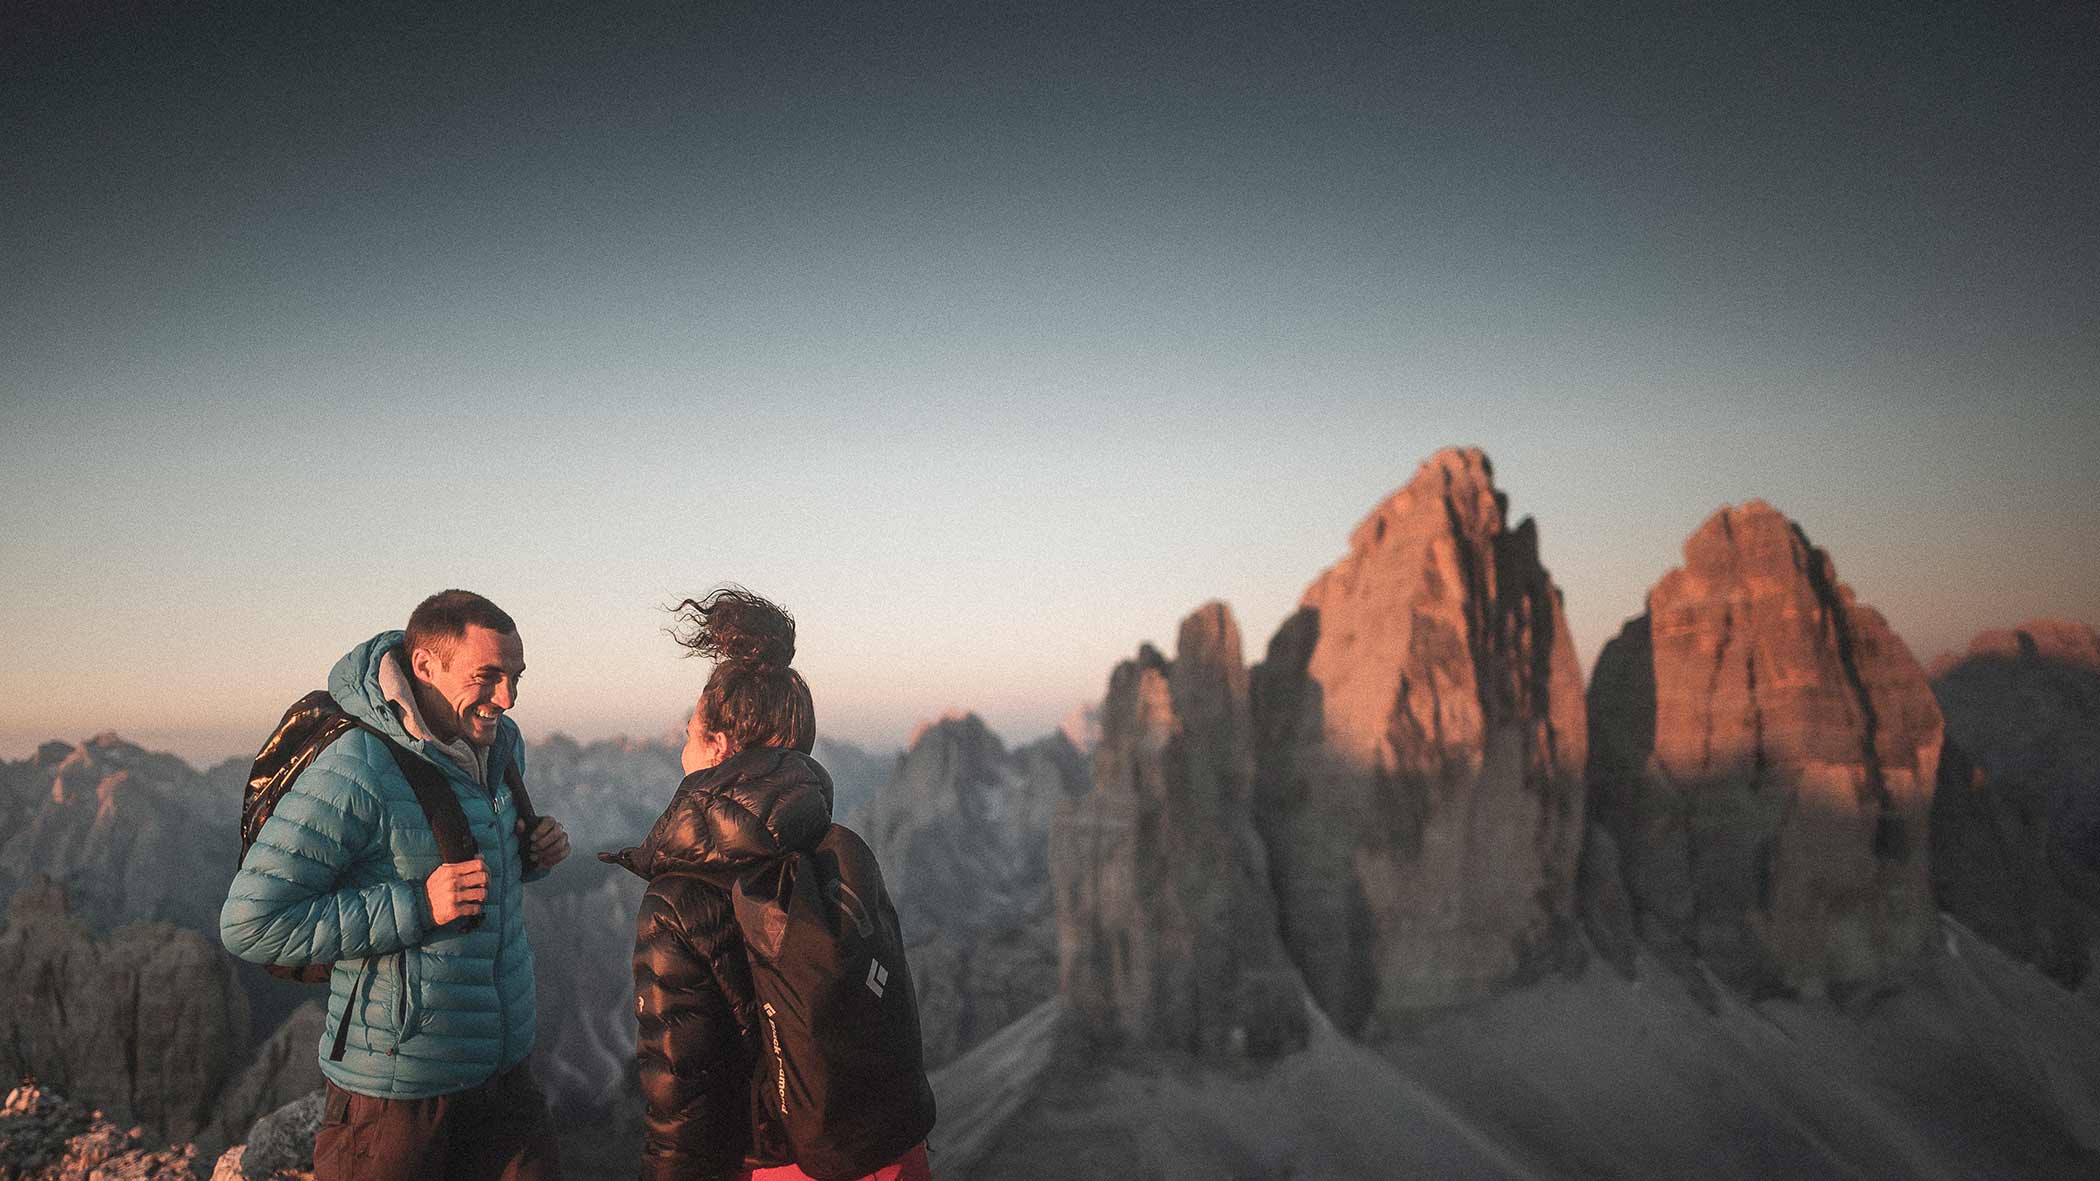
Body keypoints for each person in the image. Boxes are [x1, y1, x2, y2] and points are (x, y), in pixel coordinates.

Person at [221, 590, 571, 1181]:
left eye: (515, 677)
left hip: (502, 1074)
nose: (507, 699)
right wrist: (418, 905)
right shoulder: (355, 765)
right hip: (398, 1096)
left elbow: (463, 860)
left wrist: (530, 852)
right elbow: (251, 924)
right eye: (487, 677)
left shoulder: (497, 747)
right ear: (425, 666)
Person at [604, 587, 933, 1181]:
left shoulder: (682, 896)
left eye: (690, 731)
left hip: (779, 1169)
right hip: (891, 1157)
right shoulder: (836, 850)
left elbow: (683, 1104)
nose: (681, 741)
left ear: (722, 748)